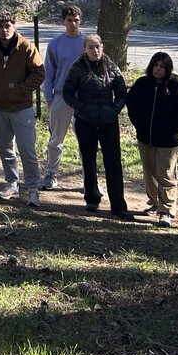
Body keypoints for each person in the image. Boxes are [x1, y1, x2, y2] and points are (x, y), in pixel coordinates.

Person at [0, 12, 45, 206]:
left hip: (22, 107)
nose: (5, 30)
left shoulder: (26, 48)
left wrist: (21, 89)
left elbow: (39, 73)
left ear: (14, 26)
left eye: (8, 26)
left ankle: (32, 189)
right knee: (4, 148)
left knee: (27, 149)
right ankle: (11, 183)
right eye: (0, 26)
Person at [63, 34, 130, 218]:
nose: (95, 51)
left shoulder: (112, 67)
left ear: (103, 47)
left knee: (113, 163)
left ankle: (118, 205)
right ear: (85, 49)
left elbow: (122, 94)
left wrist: (113, 110)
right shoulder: (77, 68)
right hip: (86, 121)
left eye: (97, 47)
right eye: (91, 47)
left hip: (108, 122)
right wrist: (82, 108)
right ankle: (92, 199)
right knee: (89, 161)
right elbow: (67, 93)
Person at [125, 52, 178, 226]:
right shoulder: (142, 84)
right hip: (145, 138)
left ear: (167, 69)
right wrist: (139, 125)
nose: (158, 69)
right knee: (149, 174)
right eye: (155, 65)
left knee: (166, 175)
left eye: (162, 66)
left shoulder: (176, 87)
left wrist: (170, 130)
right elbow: (131, 105)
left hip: (167, 141)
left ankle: (167, 211)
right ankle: (154, 203)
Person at [41, 4, 86, 190]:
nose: (73, 24)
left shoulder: (88, 43)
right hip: (61, 96)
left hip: (84, 98)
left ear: (80, 20)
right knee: (56, 139)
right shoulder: (55, 44)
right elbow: (49, 72)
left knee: (85, 139)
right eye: (69, 20)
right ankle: (51, 173)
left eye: (76, 20)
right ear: (63, 22)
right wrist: (49, 96)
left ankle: (88, 178)